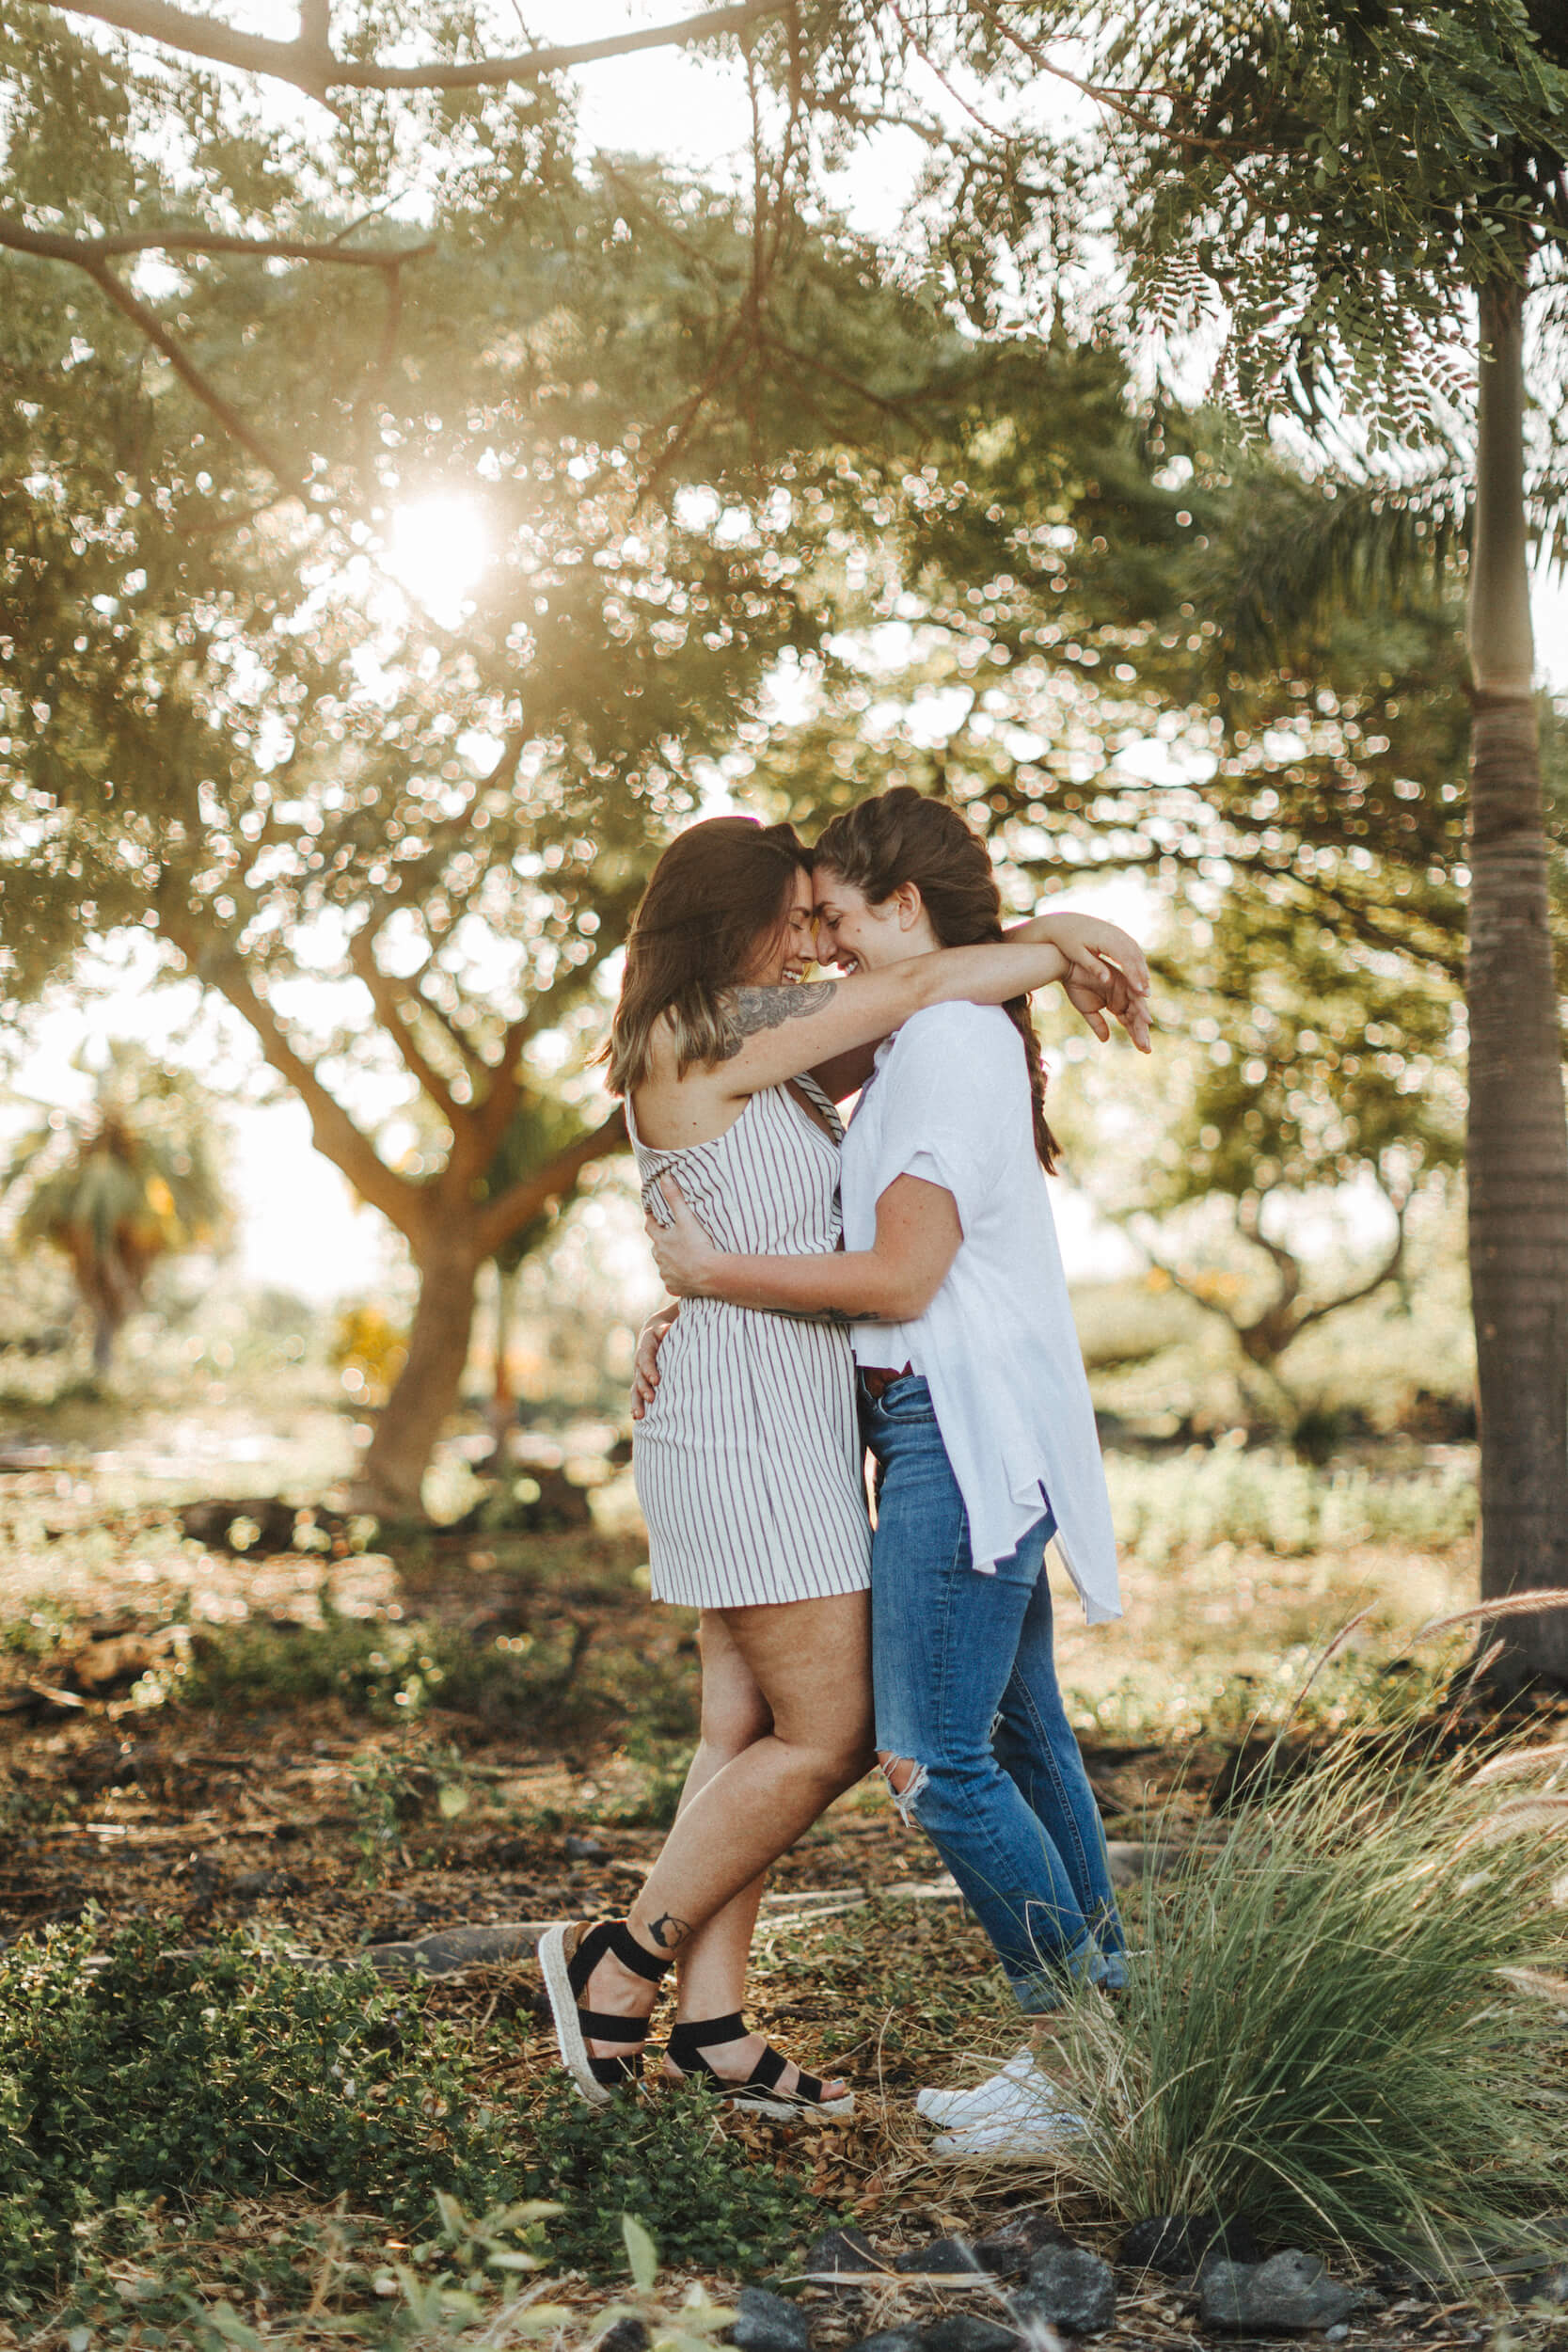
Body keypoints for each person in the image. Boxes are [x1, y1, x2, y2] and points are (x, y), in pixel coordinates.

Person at [538, 812, 1148, 2115]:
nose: (817, 945)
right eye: (797, 921)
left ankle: (710, 2026)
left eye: (831, 919)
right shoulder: (700, 1035)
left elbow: (922, 1008)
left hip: (784, 1401)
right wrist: (1061, 938)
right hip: (751, 1416)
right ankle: (623, 1955)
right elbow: (923, 979)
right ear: (732, 925)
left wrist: (1029, 939)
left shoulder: (780, 1052)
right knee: (840, 1731)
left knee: (743, 1728)